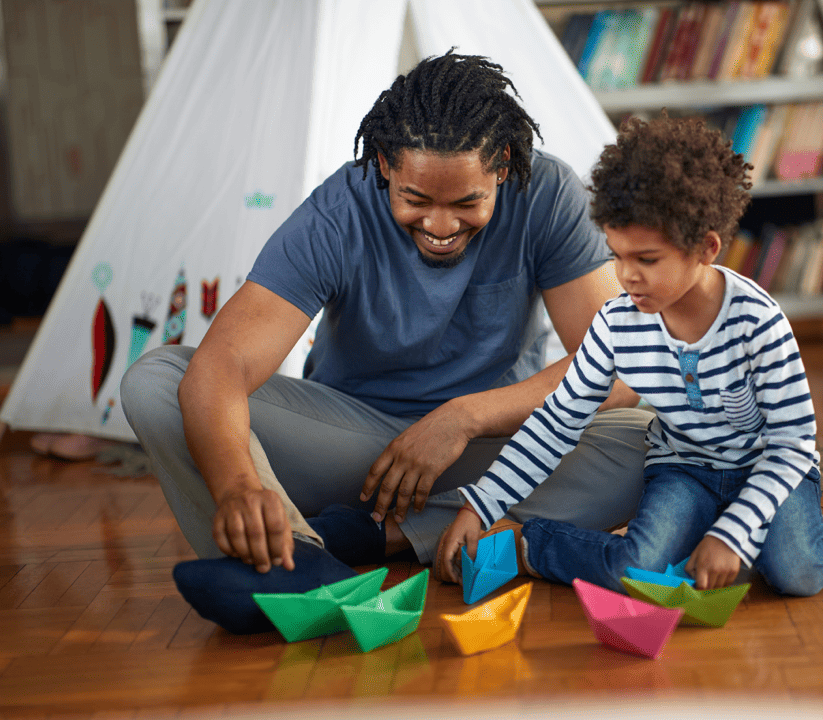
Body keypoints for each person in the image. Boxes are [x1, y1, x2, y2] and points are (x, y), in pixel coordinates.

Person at [119, 51, 653, 633]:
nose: (442, 226)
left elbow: (622, 367)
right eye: (416, 200)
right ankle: (291, 557)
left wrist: (465, 417)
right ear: (383, 164)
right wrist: (240, 484)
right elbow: (224, 363)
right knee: (159, 381)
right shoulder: (337, 211)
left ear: (502, 166)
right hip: (353, 453)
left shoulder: (547, 193)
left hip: (489, 458)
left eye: (466, 204)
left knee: (654, 442)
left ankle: (364, 539)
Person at [438, 113, 823, 596]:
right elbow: (556, 422)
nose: (626, 276)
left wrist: (733, 532)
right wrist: (480, 506)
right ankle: (531, 546)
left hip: (766, 465)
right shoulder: (618, 324)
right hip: (683, 469)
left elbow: (792, 444)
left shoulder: (758, 322)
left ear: (706, 248)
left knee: (799, 573)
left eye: (647, 260)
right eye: (616, 255)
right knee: (636, 569)